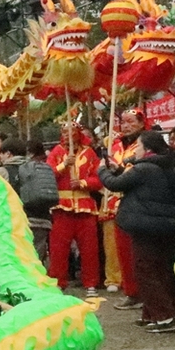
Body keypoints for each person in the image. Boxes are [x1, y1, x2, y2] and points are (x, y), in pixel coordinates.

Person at [99, 131, 175, 332]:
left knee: (146, 271)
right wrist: (118, 169)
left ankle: (164, 316)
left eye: (139, 147)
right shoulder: (167, 166)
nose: (136, 151)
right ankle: (155, 313)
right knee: (161, 270)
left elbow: (114, 184)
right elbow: (131, 181)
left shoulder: (145, 168)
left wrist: (102, 171)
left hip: (146, 226)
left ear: (148, 150)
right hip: (166, 225)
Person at [46, 123, 103, 297]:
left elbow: (99, 178)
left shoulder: (90, 153)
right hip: (62, 207)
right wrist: (64, 165)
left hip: (85, 206)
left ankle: (91, 283)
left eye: (71, 132)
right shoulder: (56, 152)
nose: (67, 135)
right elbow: (48, 174)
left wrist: (83, 183)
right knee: (58, 248)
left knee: (89, 248)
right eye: (64, 132)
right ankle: (58, 282)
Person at [99, 109, 144, 296]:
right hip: (113, 200)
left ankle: (138, 288)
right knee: (114, 246)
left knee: (137, 251)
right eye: (123, 122)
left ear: (142, 123)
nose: (125, 126)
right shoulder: (115, 146)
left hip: (136, 202)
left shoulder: (144, 145)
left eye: (130, 121)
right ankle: (119, 282)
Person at [18, 139, 58, 266]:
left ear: (29, 152)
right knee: (38, 252)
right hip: (45, 216)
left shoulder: (24, 168)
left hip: (26, 215)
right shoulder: (47, 167)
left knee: (25, 253)